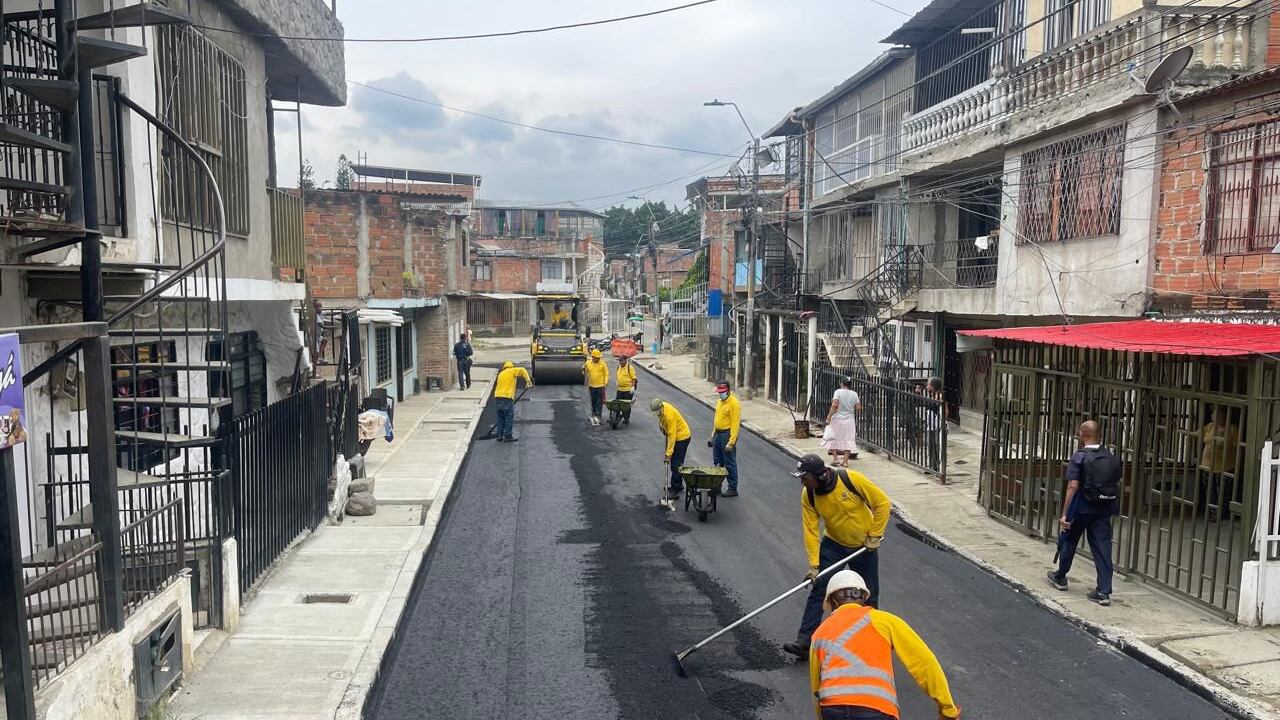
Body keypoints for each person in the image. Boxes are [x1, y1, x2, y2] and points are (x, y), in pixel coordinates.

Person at [810, 569, 961, 720]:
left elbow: (816, 685)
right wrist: (947, 708)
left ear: (833, 602)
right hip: (876, 709)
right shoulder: (884, 620)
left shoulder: (820, 633)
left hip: (832, 709)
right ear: (863, 598)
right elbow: (924, 662)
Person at [784, 454, 891, 659]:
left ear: (820, 475)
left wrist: (875, 534)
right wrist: (814, 565)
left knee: (868, 595)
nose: (802, 482)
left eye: (805, 477)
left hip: (864, 546)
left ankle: (872, 639)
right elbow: (810, 531)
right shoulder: (809, 495)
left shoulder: (850, 479)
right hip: (833, 545)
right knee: (819, 589)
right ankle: (804, 641)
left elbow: (882, 503)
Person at [1046, 420, 1121, 606]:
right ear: (1099, 435)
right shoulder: (1110, 457)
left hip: (1081, 506)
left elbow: (1073, 486)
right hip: (1104, 507)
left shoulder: (1079, 457)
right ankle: (1103, 591)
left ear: (1082, 435)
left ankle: (1060, 576)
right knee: (1103, 546)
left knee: (1069, 539)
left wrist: (1065, 513)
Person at [1198, 406, 1239, 522]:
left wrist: (1238, 464)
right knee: (1209, 492)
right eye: (1212, 413)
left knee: (1223, 492)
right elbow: (1198, 434)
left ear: (1224, 415)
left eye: (1216, 413)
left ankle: (1221, 513)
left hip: (1224, 467)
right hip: (1207, 466)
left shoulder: (1232, 429)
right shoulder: (1210, 427)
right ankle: (1212, 512)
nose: (1212, 416)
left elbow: (1238, 448)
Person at [651, 398, 691, 501]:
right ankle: (679, 484)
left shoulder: (669, 416)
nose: (656, 413)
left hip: (682, 437)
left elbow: (672, 437)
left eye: (657, 411)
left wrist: (668, 454)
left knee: (675, 464)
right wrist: (662, 426)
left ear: (661, 408)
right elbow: (662, 420)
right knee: (676, 463)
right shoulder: (662, 409)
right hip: (676, 436)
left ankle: (675, 489)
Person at [823, 377, 862, 467]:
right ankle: (845, 461)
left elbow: (835, 405)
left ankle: (835, 459)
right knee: (849, 439)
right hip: (849, 420)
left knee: (832, 438)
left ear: (842, 384)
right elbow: (858, 407)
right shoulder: (854, 394)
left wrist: (829, 416)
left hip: (837, 419)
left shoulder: (838, 392)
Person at [711, 381, 741, 497]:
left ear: (728, 390)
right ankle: (716, 486)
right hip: (718, 434)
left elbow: (735, 424)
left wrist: (731, 443)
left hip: (726, 435)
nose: (720, 394)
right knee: (718, 461)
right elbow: (717, 420)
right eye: (719, 392)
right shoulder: (720, 402)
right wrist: (712, 436)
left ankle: (732, 488)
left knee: (729, 463)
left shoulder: (734, 404)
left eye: (722, 392)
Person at [493, 361, 532, 442]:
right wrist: (528, 381)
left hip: (497, 397)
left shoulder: (501, 374)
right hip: (507, 397)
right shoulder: (512, 370)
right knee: (508, 416)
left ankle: (499, 435)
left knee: (500, 417)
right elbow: (523, 370)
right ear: (511, 366)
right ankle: (508, 435)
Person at [583, 348, 609, 426]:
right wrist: (583, 369)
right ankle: (594, 415)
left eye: (599, 357)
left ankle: (598, 416)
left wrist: (605, 383)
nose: (598, 359)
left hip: (600, 386)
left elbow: (606, 374)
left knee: (599, 402)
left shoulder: (603, 364)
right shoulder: (588, 363)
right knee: (593, 401)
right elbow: (584, 372)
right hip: (591, 386)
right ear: (593, 357)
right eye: (596, 357)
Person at [615, 354, 638, 424]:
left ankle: (626, 419)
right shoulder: (619, 367)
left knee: (626, 406)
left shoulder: (629, 367)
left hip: (628, 390)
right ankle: (616, 417)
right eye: (619, 361)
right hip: (620, 390)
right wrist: (617, 381)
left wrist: (632, 387)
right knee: (617, 404)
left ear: (625, 360)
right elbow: (618, 376)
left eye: (621, 361)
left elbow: (634, 378)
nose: (620, 362)